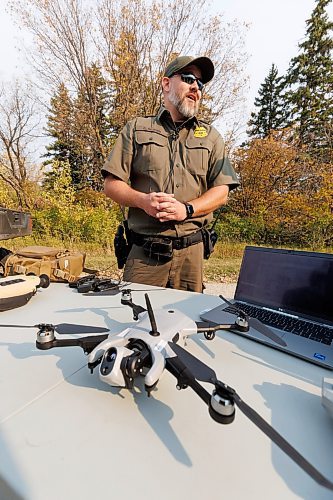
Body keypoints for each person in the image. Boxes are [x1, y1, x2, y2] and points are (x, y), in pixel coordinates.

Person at [101, 55, 239, 292]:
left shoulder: (211, 136)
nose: (196, 87)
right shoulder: (136, 128)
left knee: (188, 322)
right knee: (134, 323)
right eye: (188, 78)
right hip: (144, 254)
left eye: (200, 83)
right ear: (166, 84)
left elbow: (222, 190)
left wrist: (187, 209)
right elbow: (111, 183)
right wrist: (143, 201)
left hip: (191, 255)